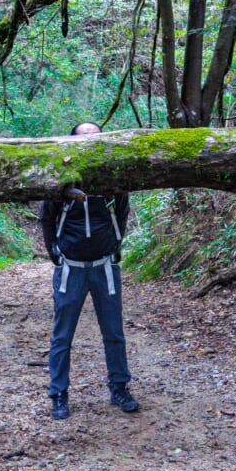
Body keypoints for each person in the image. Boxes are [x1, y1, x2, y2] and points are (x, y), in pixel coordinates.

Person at [39, 121, 140, 420]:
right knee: (62, 335)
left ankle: (119, 388)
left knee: (114, 332)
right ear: (70, 142)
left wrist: (116, 243)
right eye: (83, 136)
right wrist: (54, 253)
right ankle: (58, 394)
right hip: (70, 267)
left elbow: (121, 212)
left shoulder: (114, 181)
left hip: (104, 266)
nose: (90, 140)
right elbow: (47, 218)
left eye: (95, 136)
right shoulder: (59, 181)